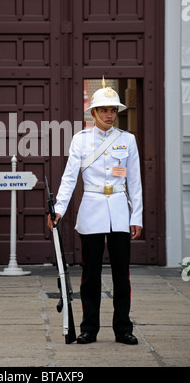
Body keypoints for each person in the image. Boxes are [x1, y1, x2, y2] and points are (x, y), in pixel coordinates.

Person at [47, 78, 142, 345]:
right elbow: (69, 177)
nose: (109, 115)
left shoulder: (128, 140)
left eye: (113, 110)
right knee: (91, 275)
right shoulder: (81, 139)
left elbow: (134, 182)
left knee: (121, 275)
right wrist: (59, 209)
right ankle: (89, 327)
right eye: (104, 110)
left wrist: (137, 217)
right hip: (92, 210)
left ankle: (123, 328)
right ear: (94, 113)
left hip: (120, 213)